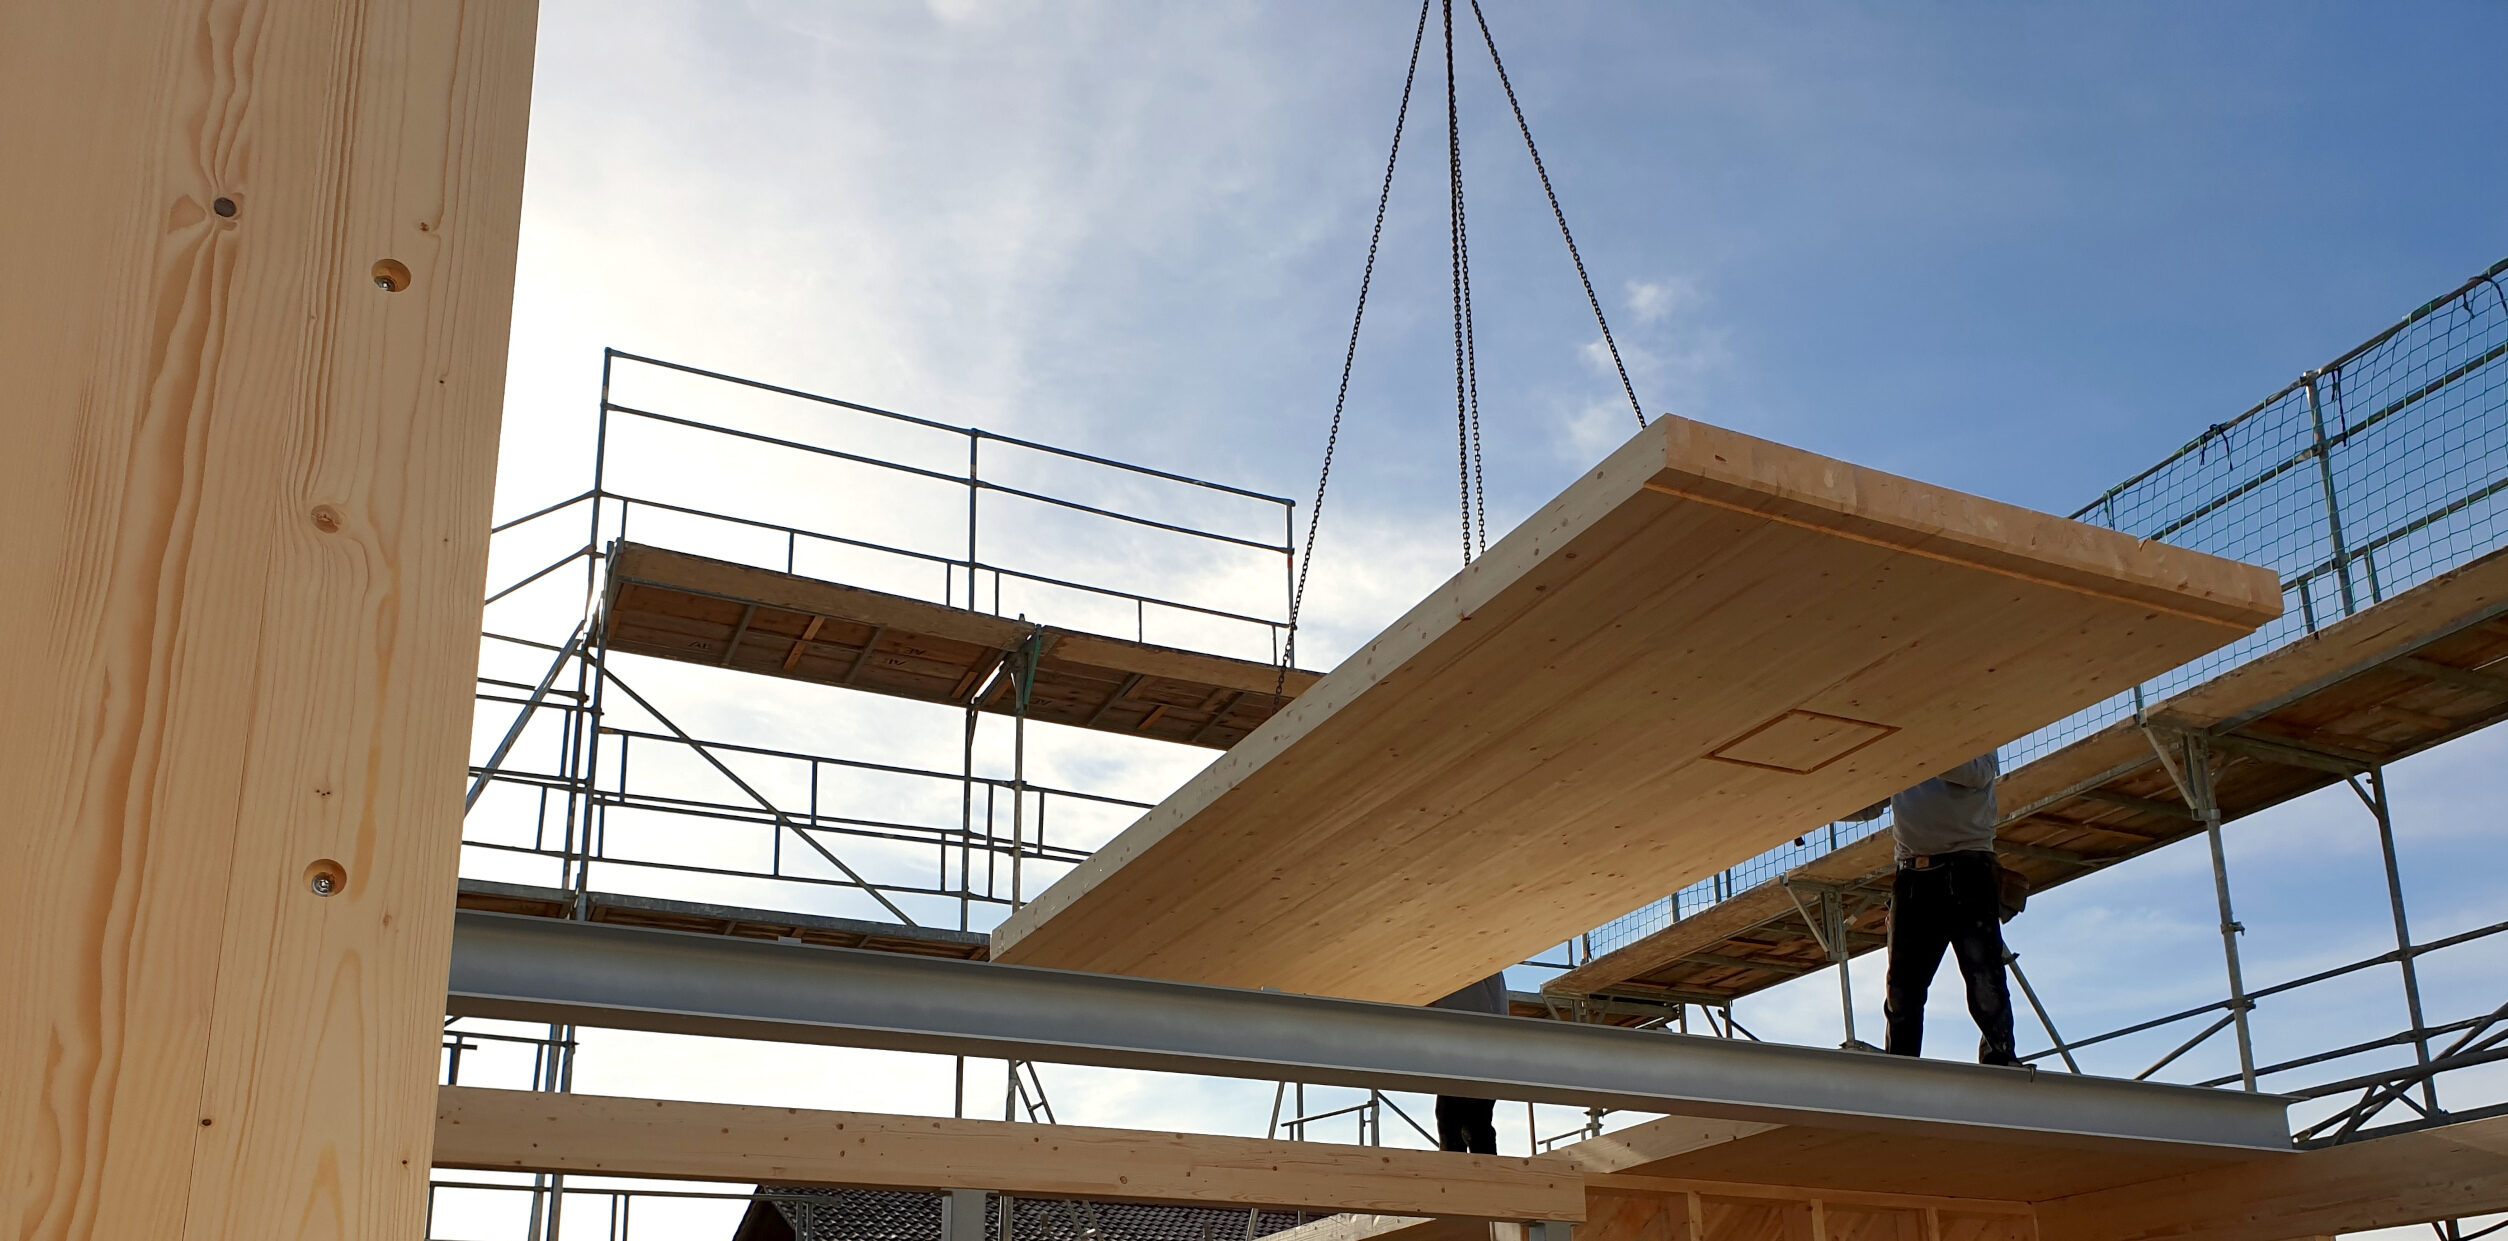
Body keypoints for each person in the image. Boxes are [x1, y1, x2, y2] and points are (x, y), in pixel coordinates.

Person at [1846, 753, 2017, 1066]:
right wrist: (1808, 809)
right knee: (1902, 986)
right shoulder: (1902, 749)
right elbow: (1870, 804)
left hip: (1968, 869)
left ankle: (2000, 1055)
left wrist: (1920, 752)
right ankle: (1901, 1062)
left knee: (1983, 976)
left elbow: (1977, 773)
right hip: (1914, 876)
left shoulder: (1967, 731)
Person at [1428, 972, 1507, 1152]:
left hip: (1464, 1044)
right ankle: (1483, 1171)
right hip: (1489, 1048)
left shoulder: (1463, 964)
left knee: (1451, 1118)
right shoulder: (1490, 969)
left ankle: (1456, 1172)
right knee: (1476, 1121)